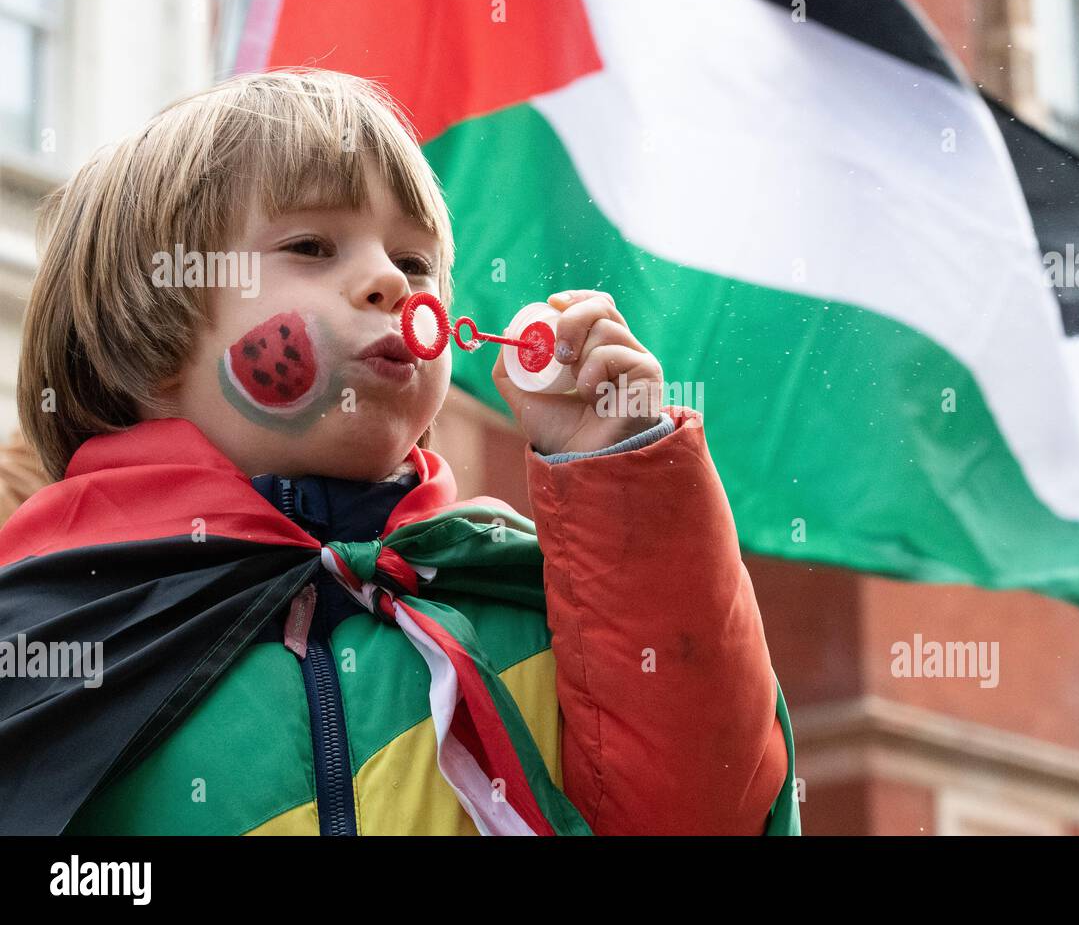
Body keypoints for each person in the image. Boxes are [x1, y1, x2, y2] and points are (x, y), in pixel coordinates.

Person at [0, 69, 797, 835]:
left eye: (415, 262)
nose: (390, 280)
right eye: (313, 246)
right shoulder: (47, 632)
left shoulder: (531, 605)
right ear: (141, 336)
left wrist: (624, 477)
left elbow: (705, 810)